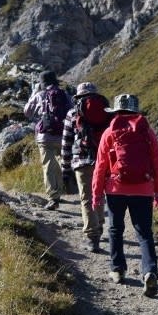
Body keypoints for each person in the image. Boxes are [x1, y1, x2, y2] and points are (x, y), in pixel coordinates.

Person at [91, 93, 158, 297]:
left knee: (115, 230)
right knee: (144, 233)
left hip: (116, 188)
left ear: (116, 111)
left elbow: (100, 165)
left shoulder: (110, 132)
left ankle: (117, 269)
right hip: (143, 189)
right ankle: (150, 271)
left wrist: (96, 193)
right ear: (135, 111)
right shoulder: (147, 132)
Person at [61, 82, 112, 252]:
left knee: (86, 198)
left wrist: (65, 168)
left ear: (78, 97)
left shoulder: (72, 113)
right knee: (99, 195)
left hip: (81, 161)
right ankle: (99, 226)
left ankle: (92, 237)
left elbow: (67, 142)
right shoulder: (106, 111)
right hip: (103, 161)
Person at [24, 70, 71, 210]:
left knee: (48, 166)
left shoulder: (39, 95)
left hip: (45, 136)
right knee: (64, 163)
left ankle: (54, 198)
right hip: (63, 135)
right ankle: (68, 190)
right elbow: (73, 110)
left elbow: (27, 112)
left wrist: (34, 93)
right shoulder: (64, 94)